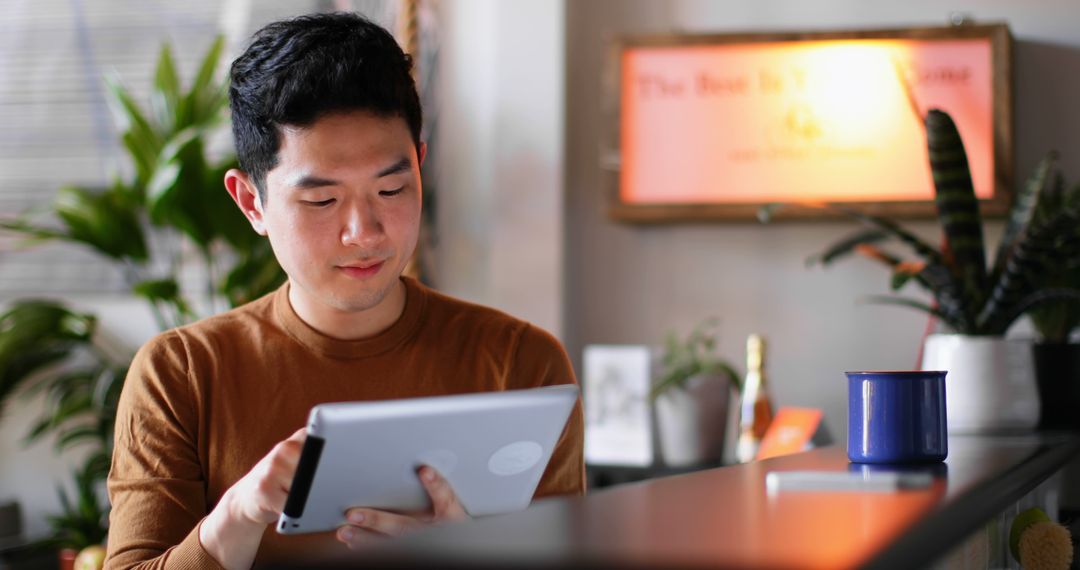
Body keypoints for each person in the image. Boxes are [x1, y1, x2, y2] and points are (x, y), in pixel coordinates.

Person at [105, 12, 584, 570]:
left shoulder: (520, 365)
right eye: (321, 201)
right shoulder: (182, 373)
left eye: (391, 187)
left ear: (420, 170)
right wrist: (238, 516)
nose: (365, 232)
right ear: (251, 203)